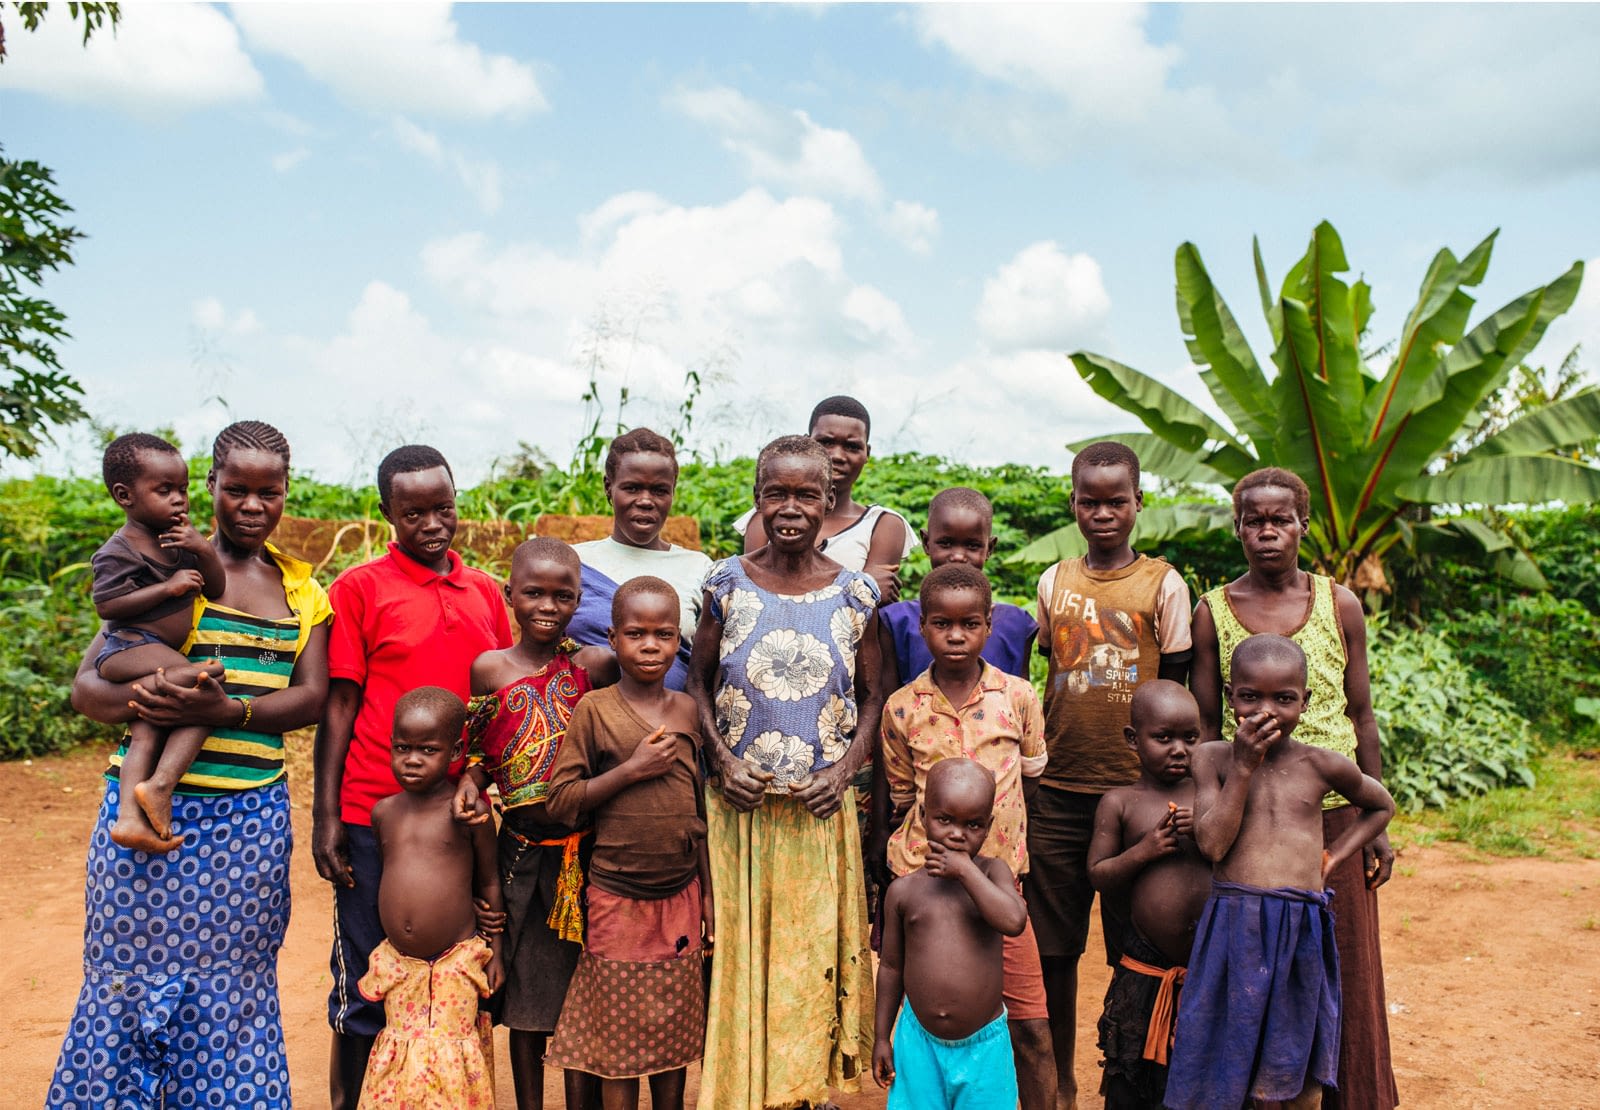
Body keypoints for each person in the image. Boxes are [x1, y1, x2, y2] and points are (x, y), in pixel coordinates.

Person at [51, 420, 332, 1108]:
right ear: (209, 487)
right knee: (123, 975)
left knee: (234, 983)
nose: (252, 506)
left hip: (247, 822)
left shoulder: (303, 591)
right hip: (138, 811)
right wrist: (140, 695)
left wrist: (228, 713)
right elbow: (89, 686)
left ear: (286, 494)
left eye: (269, 492)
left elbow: (313, 698)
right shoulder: (160, 570)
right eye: (236, 489)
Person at [1190, 466, 1399, 1110]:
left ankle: (1352, 1097)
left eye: (1281, 520)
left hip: (1333, 811)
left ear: (1303, 527)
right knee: (1259, 975)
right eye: (1254, 520)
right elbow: (1204, 723)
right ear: (1238, 528)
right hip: (1252, 819)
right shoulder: (1213, 612)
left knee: (1347, 967)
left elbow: (1360, 714)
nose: (1267, 532)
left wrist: (1380, 825)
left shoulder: (1339, 603)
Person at [312, 444, 514, 1110]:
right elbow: (339, 704)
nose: (432, 523)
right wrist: (327, 815)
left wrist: (481, 781)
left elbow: (494, 705)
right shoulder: (359, 589)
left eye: (443, 507)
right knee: (371, 981)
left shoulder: (485, 590)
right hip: (377, 813)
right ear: (387, 513)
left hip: (463, 818)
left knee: (460, 984)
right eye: (414, 512)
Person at [689, 434, 884, 1110]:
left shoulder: (857, 596)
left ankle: (804, 1094)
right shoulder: (724, 583)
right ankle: (746, 1092)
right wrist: (721, 758)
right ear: (757, 499)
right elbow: (695, 684)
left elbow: (876, 698)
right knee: (746, 963)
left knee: (809, 961)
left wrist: (846, 773)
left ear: (829, 502)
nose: (792, 507)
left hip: (818, 816)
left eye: (807, 494)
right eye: (778, 493)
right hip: (739, 814)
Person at [1027, 440, 1193, 1108]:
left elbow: (1180, 692)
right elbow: (1051, 668)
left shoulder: (1164, 584)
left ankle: (1133, 1079)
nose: (1102, 513)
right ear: (1073, 503)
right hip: (1061, 790)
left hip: (1139, 798)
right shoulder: (1055, 580)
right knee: (1054, 950)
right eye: (1089, 502)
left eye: (1116, 501)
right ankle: (1060, 1081)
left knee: (1139, 950)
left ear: (1138, 504)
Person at [1166, 635, 1394, 1110]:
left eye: (1283, 698)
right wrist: (1244, 768)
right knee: (1223, 1051)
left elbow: (1380, 806)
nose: (1265, 710)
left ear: (1305, 702)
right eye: (1250, 696)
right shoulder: (1211, 759)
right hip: (1234, 925)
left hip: (1298, 928)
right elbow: (1211, 844)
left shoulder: (1322, 764)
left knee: (1295, 1057)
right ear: (1231, 698)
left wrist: (1334, 856)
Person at [877, 562, 1056, 1108]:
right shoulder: (902, 707)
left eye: (970, 624)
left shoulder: (1020, 698)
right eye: (941, 624)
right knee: (927, 1011)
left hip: (999, 880)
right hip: (923, 880)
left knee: (1029, 1026)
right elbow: (903, 798)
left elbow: (1032, 777)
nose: (955, 636)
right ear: (922, 627)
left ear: (990, 624)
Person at [453, 536, 616, 1110]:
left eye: (562, 596)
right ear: (510, 596)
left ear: (578, 601)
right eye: (534, 593)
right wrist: (472, 780)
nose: (548, 606)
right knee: (522, 991)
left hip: (585, 854)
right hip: (518, 850)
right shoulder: (489, 668)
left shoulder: (593, 666)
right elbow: (478, 751)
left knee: (582, 989)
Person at [544, 577, 712, 1110]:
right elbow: (562, 800)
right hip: (616, 897)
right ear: (613, 639)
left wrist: (707, 893)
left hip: (681, 897)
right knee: (619, 1040)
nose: (650, 646)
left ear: (677, 640)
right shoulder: (595, 710)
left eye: (664, 634)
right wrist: (632, 770)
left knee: (675, 1032)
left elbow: (698, 810)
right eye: (635, 633)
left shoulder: (686, 711)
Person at [359, 687, 505, 1110]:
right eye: (402, 748)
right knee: (400, 1056)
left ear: (456, 750)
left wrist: (495, 951)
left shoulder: (469, 813)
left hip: (456, 965)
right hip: (400, 967)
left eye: (427, 749)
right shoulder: (384, 813)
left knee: (450, 1059)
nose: (412, 760)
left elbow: (490, 882)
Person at [89, 432, 227, 853]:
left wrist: (202, 550)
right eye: (164, 490)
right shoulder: (119, 550)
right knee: (208, 684)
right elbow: (107, 604)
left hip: (152, 653)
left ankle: (131, 817)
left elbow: (216, 588)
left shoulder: (178, 539)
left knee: (148, 724)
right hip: (127, 646)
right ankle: (162, 784)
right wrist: (166, 590)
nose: (179, 500)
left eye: (182, 489)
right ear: (124, 495)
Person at [872, 758, 1029, 1110]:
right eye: (945, 820)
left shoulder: (993, 875)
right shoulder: (904, 891)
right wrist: (883, 1036)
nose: (958, 834)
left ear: (987, 827)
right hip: (918, 1043)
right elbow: (892, 968)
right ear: (925, 815)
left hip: (984, 1048)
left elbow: (1014, 921)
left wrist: (965, 871)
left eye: (972, 825)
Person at [1086, 680, 1211, 1110]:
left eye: (1190, 738)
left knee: (1206, 1074)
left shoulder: (1211, 800)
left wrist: (1210, 830)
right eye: (1163, 738)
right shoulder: (1120, 803)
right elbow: (1099, 874)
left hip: (1209, 966)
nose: (1179, 749)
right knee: (1131, 1078)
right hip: (1144, 967)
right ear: (1132, 740)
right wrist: (1144, 851)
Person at [569, 428, 714, 692]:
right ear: (608, 487)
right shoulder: (574, 562)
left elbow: (707, 670)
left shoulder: (699, 567)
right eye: (632, 488)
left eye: (659, 490)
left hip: (670, 726)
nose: (645, 501)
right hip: (578, 722)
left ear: (673, 492)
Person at [737, 394, 915, 604]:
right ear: (805, 442)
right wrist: (861, 585)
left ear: (867, 453)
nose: (837, 455)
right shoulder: (764, 517)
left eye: (852, 446)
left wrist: (868, 592)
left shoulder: (883, 524)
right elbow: (755, 593)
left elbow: (873, 603)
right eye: (826, 442)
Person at [875, 486, 1038, 692]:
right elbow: (887, 702)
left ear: (990, 548)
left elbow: (1023, 702)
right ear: (926, 542)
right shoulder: (896, 621)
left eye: (972, 545)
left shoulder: (1016, 623)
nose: (958, 556)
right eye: (946, 543)